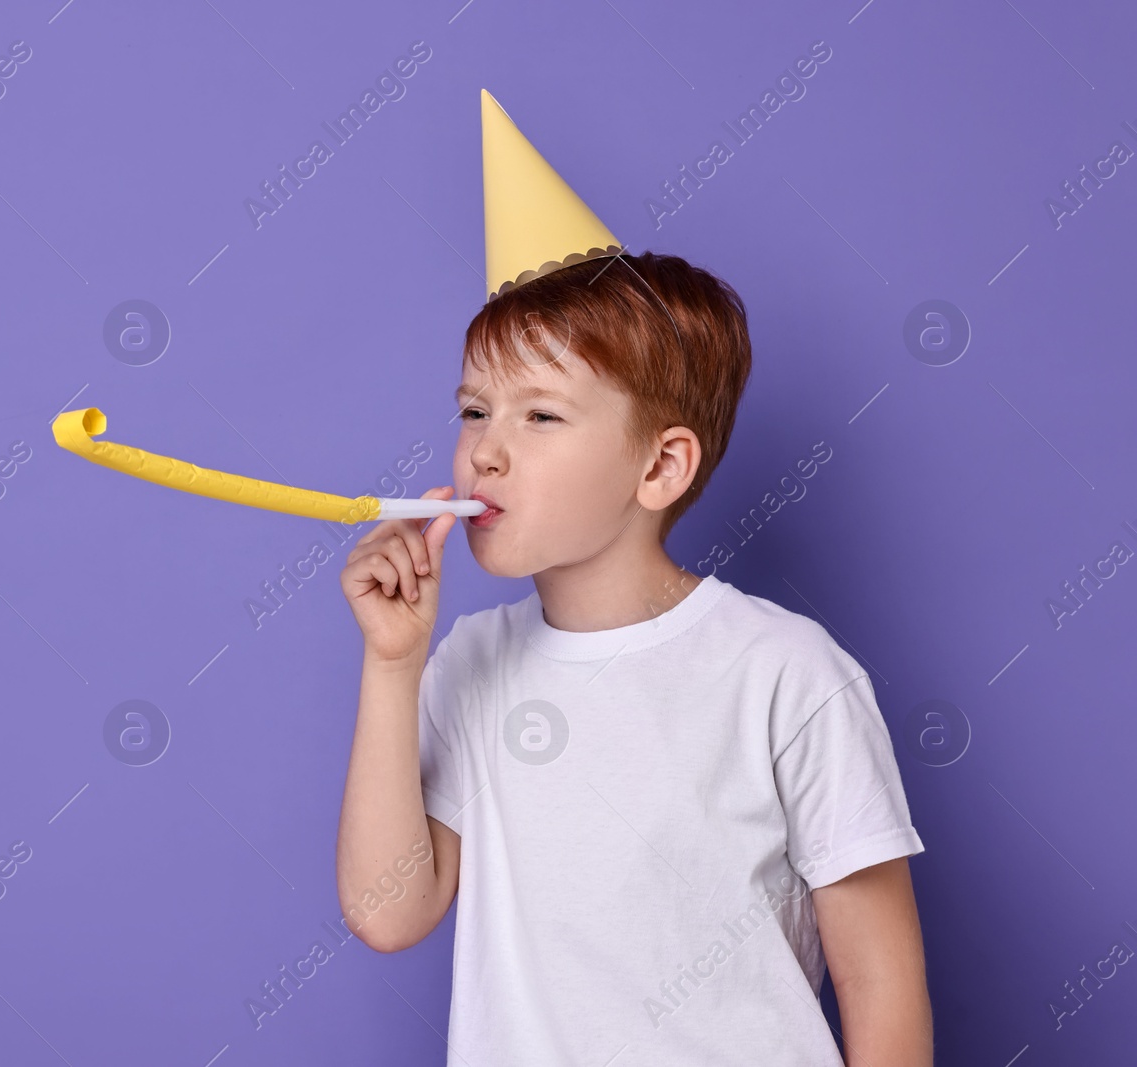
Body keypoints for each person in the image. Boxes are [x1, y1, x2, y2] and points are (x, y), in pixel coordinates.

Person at [334, 90, 931, 1065]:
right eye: (475, 408)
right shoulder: (468, 659)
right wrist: (392, 666)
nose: (484, 452)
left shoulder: (784, 672)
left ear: (659, 467)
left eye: (540, 417)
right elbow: (388, 912)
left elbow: (883, 988)